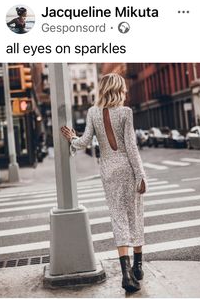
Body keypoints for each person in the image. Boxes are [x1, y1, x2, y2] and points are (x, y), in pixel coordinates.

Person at [61, 73, 148, 293]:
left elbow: (84, 142)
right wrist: (141, 175)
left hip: (108, 171)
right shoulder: (126, 113)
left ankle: (126, 275)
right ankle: (138, 266)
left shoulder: (92, 112)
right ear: (118, 89)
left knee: (118, 217)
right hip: (127, 169)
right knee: (134, 214)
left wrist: (72, 138)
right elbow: (131, 147)